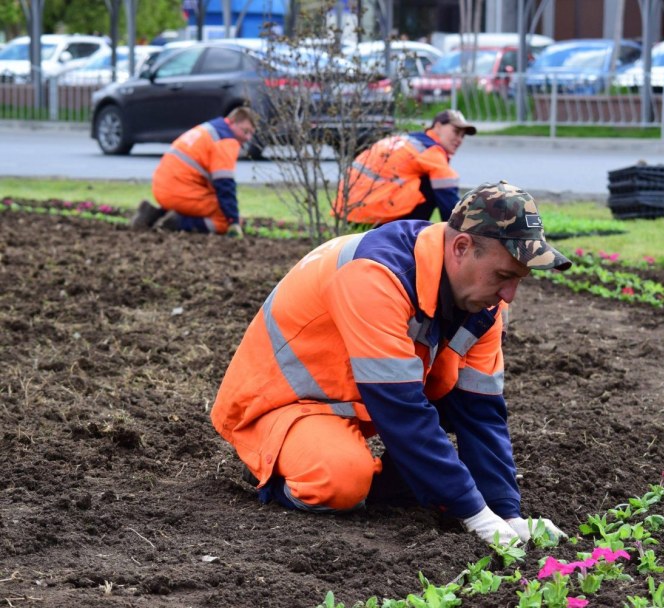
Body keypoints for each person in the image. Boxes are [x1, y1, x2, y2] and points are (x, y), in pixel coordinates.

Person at [211, 180, 571, 545]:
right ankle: (277, 469)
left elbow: (480, 413)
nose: (509, 294)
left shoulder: (484, 304)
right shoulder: (375, 275)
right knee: (341, 480)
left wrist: (506, 512)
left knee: (440, 458)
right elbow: (401, 409)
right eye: (504, 276)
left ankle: (371, 476)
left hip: (356, 402)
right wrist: (474, 514)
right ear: (461, 247)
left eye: (519, 280)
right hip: (278, 403)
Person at [332, 109, 476, 226]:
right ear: (437, 127)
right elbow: (449, 199)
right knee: (432, 184)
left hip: (347, 211)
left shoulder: (408, 140)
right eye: (456, 132)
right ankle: (413, 234)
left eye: (463, 136)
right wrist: (460, 231)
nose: (459, 139)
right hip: (371, 215)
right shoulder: (430, 151)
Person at [130, 106, 257, 237]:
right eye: (245, 131)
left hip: (162, 188)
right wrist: (233, 221)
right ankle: (178, 223)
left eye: (251, 133)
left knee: (215, 205)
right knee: (223, 219)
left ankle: (154, 214)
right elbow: (225, 184)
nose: (248, 138)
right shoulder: (226, 141)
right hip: (180, 192)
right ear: (232, 122)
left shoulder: (210, 129)